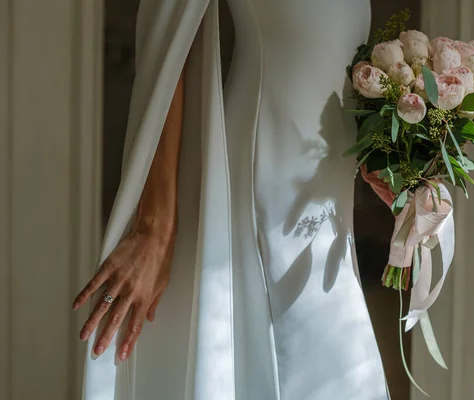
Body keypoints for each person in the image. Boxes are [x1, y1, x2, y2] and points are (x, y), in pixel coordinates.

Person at [73, 1, 389, 398]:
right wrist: (156, 226)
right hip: (264, 190)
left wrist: (386, 154)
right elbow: (171, 44)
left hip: (327, 205)